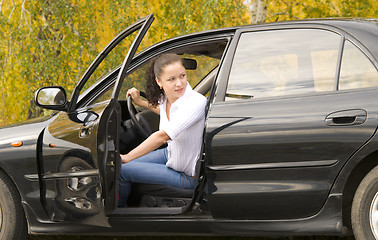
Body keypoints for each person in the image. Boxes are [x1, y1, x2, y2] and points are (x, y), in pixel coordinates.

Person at [118, 53, 207, 207]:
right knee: (120, 166)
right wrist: (140, 102)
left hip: (186, 176)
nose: (179, 83)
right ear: (159, 81)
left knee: (120, 170)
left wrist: (127, 156)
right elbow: (164, 111)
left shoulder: (196, 102)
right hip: (170, 154)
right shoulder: (167, 98)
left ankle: (120, 214)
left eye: (182, 76)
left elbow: (163, 136)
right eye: (171, 79)